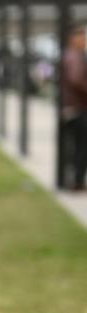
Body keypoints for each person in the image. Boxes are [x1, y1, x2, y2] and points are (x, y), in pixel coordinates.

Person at [60, 23, 87, 190]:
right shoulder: (75, 56)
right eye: (82, 37)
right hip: (78, 108)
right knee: (81, 146)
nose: (84, 40)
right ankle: (76, 181)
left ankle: (73, 180)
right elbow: (76, 80)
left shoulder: (69, 55)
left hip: (71, 107)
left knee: (76, 145)